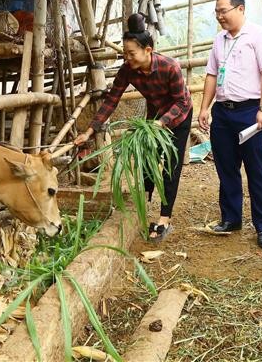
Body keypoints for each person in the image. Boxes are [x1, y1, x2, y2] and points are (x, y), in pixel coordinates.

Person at [74, 13, 192, 242]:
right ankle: (143, 206)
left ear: (148, 50)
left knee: (171, 166)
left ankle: (164, 219)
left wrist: (161, 123)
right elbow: (111, 100)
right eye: (124, 54)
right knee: (147, 162)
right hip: (154, 118)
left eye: (131, 53)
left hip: (178, 118)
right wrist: (89, 131)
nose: (127, 58)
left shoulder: (170, 67)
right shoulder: (128, 69)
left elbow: (182, 102)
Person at [198, 0, 262, 249]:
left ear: (240, 9)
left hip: (250, 111)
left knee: (257, 169)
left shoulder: (258, 36)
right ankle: (231, 218)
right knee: (226, 168)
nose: (219, 16)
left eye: (223, 11)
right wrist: (204, 108)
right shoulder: (219, 40)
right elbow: (211, 74)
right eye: (217, 12)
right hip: (222, 113)